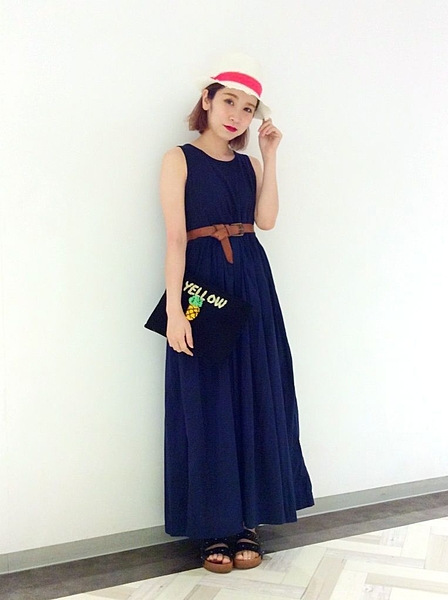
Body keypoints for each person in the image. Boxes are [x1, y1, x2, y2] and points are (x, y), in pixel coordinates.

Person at [159, 53, 314, 573]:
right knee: (206, 400)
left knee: (254, 394)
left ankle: (247, 522)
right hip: (201, 284)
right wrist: (176, 310)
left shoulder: (249, 164)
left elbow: (265, 220)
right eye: (229, 102)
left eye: (248, 109)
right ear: (207, 100)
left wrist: (270, 155)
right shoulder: (178, 158)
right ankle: (213, 527)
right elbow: (175, 239)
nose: (237, 115)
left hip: (251, 280)